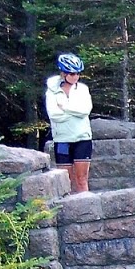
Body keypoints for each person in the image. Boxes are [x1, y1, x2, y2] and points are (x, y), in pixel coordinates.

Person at [45, 52, 93, 193]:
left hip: (82, 139)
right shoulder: (52, 92)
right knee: (65, 181)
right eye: (72, 74)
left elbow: (85, 110)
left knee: (81, 179)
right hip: (62, 139)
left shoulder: (83, 89)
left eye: (78, 74)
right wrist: (74, 112)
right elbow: (54, 115)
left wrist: (65, 108)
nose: (75, 77)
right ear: (63, 73)